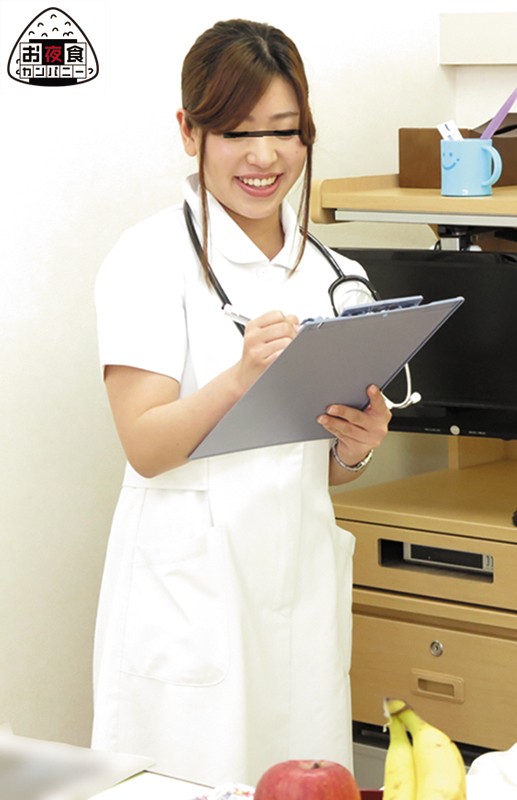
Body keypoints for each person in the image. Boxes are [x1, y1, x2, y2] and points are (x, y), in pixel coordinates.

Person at [92, 18, 391, 787]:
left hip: (296, 583)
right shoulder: (149, 259)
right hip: (191, 596)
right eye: (237, 132)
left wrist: (355, 447)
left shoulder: (336, 275)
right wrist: (239, 376)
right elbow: (145, 447)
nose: (265, 157)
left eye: (285, 131)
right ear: (188, 131)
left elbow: (320, 467)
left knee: (304, 783)